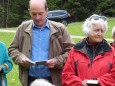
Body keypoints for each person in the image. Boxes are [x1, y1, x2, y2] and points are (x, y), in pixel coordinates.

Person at [8, 0, 74, 86]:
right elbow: (12, 49)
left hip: (54, 79)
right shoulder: (22, 28)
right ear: (29, 12)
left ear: (47, 11)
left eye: (40, 13)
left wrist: (56, 61)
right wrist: (21, 58)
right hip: (29, 80)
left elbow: (72, 52)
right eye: (33, 14)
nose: (37, 17)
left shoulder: (60, 29)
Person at [62, 14, 115, 86]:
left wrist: (99, 82)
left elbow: (113, 76)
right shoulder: (75, 51)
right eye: (96, 30)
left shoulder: (112, 52)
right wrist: (80, 83)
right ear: (88, 31)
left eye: (102, 31)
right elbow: (66, 76)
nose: (99, 34)